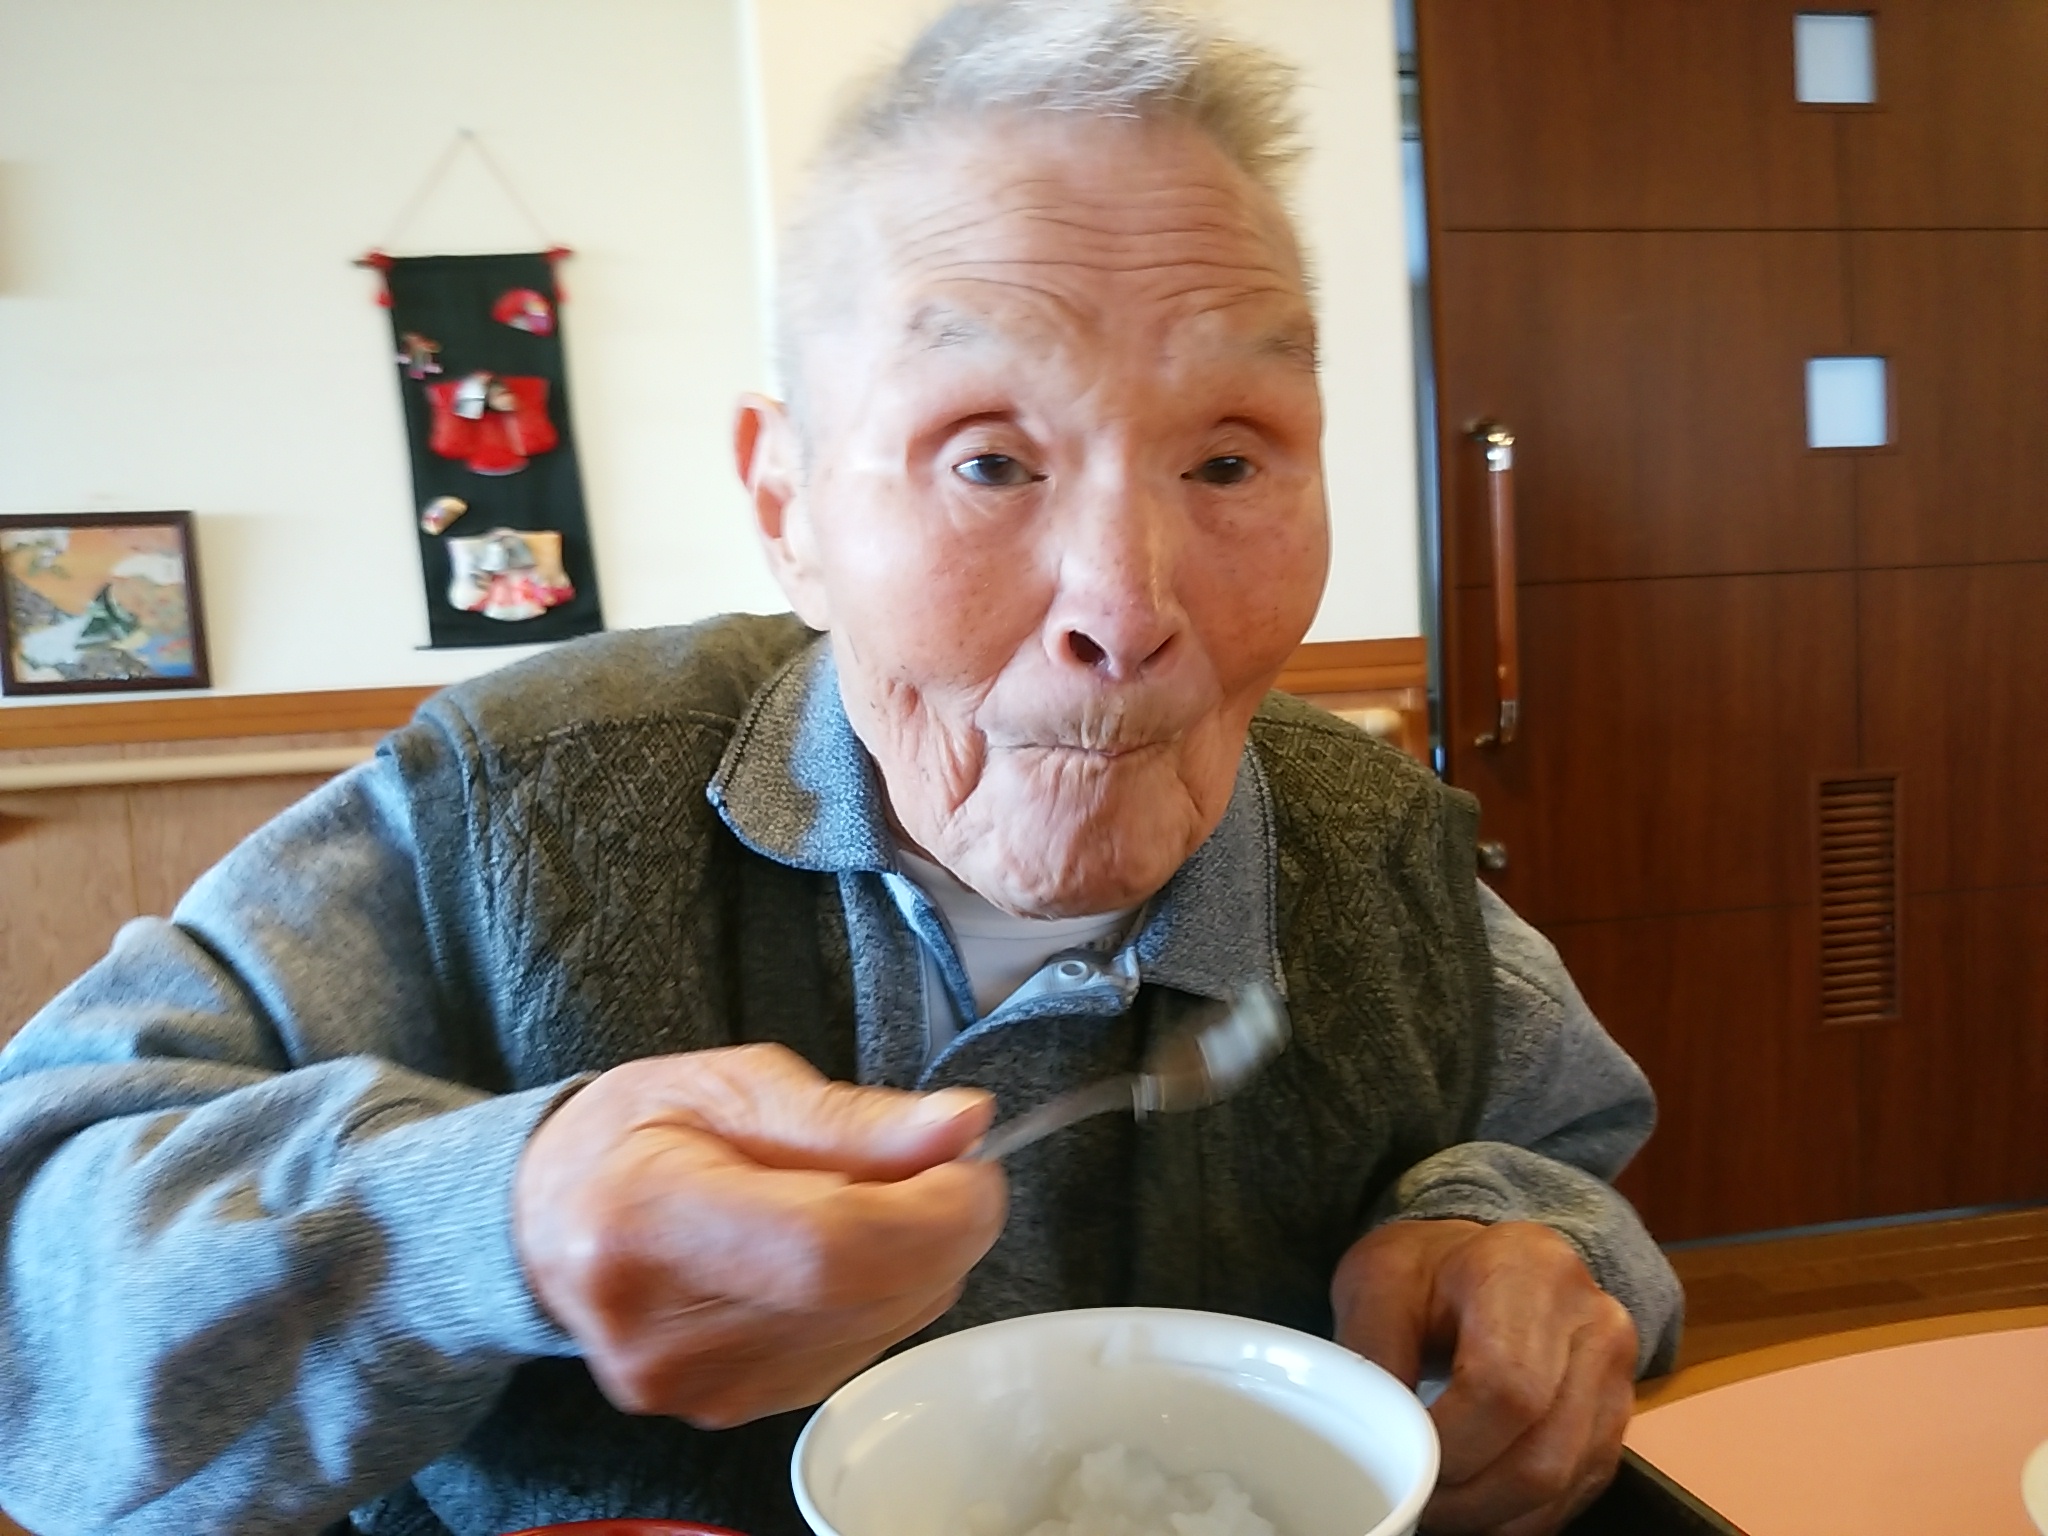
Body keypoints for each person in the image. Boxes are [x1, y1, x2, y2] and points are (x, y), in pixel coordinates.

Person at [0, 4, 1681, 1533]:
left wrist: (1512, 1238)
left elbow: (1566, 1150)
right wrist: (495, 1222)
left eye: (1229, 459)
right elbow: (33, 1266)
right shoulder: (510, 811)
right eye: (990, 459)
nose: (1127, 609)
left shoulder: (1369, 845)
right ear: (788, 503)